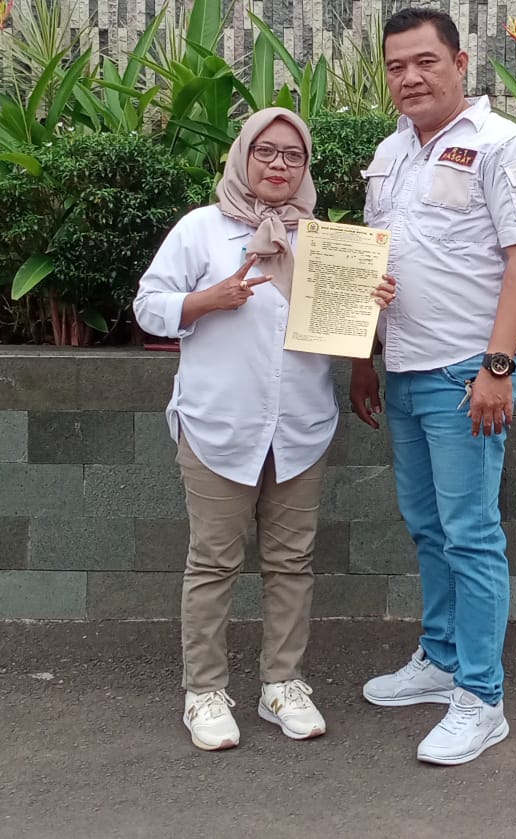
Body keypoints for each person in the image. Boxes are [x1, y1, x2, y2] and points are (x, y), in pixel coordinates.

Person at [134, 107, 394, 752]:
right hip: (218, 425)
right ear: (243, 156)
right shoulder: (202, 229)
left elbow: (343, 328)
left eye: (293, 155)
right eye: (267, 152)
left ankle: (283, 683)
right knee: (213, 561)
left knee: (292, 562)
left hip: (300, 426)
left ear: (306, 167)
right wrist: (207, 299)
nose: (279, 165)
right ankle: (204, 691)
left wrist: (370, 316)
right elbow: (148, 306)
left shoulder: (326, 243)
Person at [352, 6, 516, 766]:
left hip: (466, 371)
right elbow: (374, 264)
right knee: (428, 526)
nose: (409, 77)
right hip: (403, 367)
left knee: (470, 534)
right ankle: (439, 659)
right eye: (395, 66)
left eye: (424, 61)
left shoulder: (503, 144)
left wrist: (496, 367)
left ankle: (481, 697)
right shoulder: (390, 152)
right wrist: (362, 356)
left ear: (460, 63)